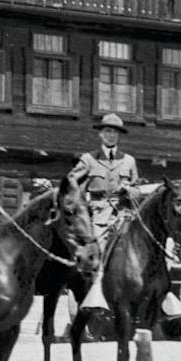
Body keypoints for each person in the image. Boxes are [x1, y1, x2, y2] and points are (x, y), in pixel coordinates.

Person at [70, 113, 140, 311]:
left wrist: (129, 190)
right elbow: (72, 185)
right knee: (97, 250)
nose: (111, 135)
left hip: (123, 213)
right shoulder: (88, 159)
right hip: (98, 214)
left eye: (115, 132)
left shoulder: (128, 161)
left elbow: (137, 190)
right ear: (100, 134)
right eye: (107, 131)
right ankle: (96, 293)